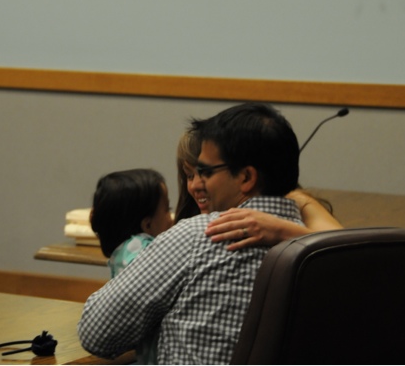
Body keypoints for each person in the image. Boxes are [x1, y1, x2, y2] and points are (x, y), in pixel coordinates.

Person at [78, 103, 305, 364]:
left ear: (246, 177)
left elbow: (96, 333)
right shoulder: (320, 248)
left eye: (206, 172)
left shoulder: (199, 235)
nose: (199, 183)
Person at [175, 129, 342, 251]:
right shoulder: (186, 228)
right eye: (189, 176)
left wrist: (282, 230)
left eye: (207, 173)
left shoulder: (293, 202)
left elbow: (342, 250)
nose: (196, 185)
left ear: (246, 177)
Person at [89, 168, 173, 364]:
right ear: (147, 225)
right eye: (167, 209)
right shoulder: (143, 251)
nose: (172, 218)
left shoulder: (122, 254)